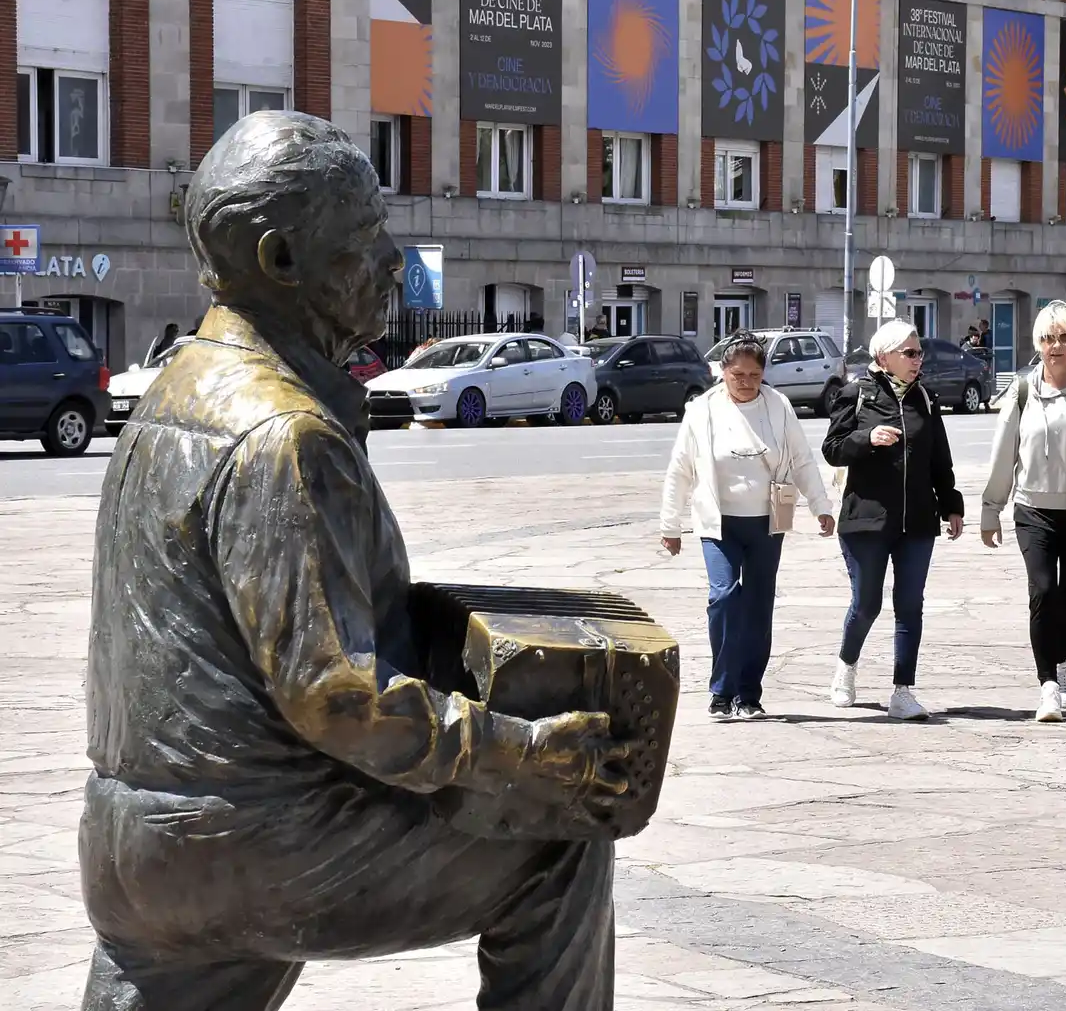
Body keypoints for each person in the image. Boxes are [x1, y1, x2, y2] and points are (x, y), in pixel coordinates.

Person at [78, 112, 631, 1011]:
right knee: (560, 841)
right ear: (282, 259)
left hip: (131, 843)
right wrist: (525, 753)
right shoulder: (284, 434)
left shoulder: (173, 395)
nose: (392, 260)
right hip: (251, 844)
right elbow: (338, 697)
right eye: (367, 234)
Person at [660, 332, 835, 720]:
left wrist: (820, 505)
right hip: (719, 523)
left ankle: (748, 694)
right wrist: (670, 524)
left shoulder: (778, 406)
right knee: (724, 598)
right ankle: (721, 690)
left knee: (758, 605)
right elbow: (680, 469)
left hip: (767, 522)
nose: (746, 382)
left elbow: (802, 459)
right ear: (722, 371)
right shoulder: (702, 410)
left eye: (754, 375)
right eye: (738, 375)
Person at [822, 320, 964, 721]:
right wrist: (866, 439)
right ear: (884, 357)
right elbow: (832, 449)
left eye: (919, 353)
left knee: (910, 605)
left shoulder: (925, 399)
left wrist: (951, 504)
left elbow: (939, 458)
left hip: (917, 521)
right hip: (866, 520)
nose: (918, 360)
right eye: (910, 353)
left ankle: (903, 691)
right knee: (866, 604)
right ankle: (847, 665)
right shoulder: (856, 394)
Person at [980, 301, 1066, 722]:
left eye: (1065, 338)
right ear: (1037, 343)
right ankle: (1048, 686)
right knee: (1043, 591)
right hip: (1032, 509)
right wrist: (990, 509)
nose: (1056, 346)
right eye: (1048, 338)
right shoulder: (1022, 391)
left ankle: (1060, 660)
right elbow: (1003, 453)